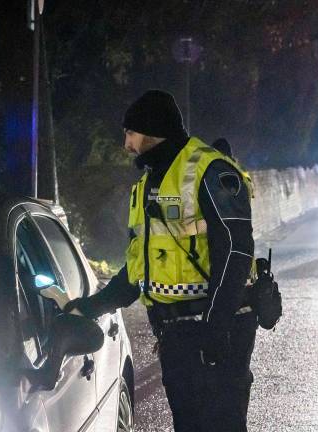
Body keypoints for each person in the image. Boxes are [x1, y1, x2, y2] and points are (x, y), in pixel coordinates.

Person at [65, 89, 258, 431]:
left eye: (130, 133)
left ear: (151, 131)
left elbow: (236, 250)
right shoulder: (145, 187)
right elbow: (137, 271)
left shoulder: (210, 169)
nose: (126, 145)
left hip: (220, 327)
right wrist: (90, 307)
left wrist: (215, 325)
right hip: (176, 334)